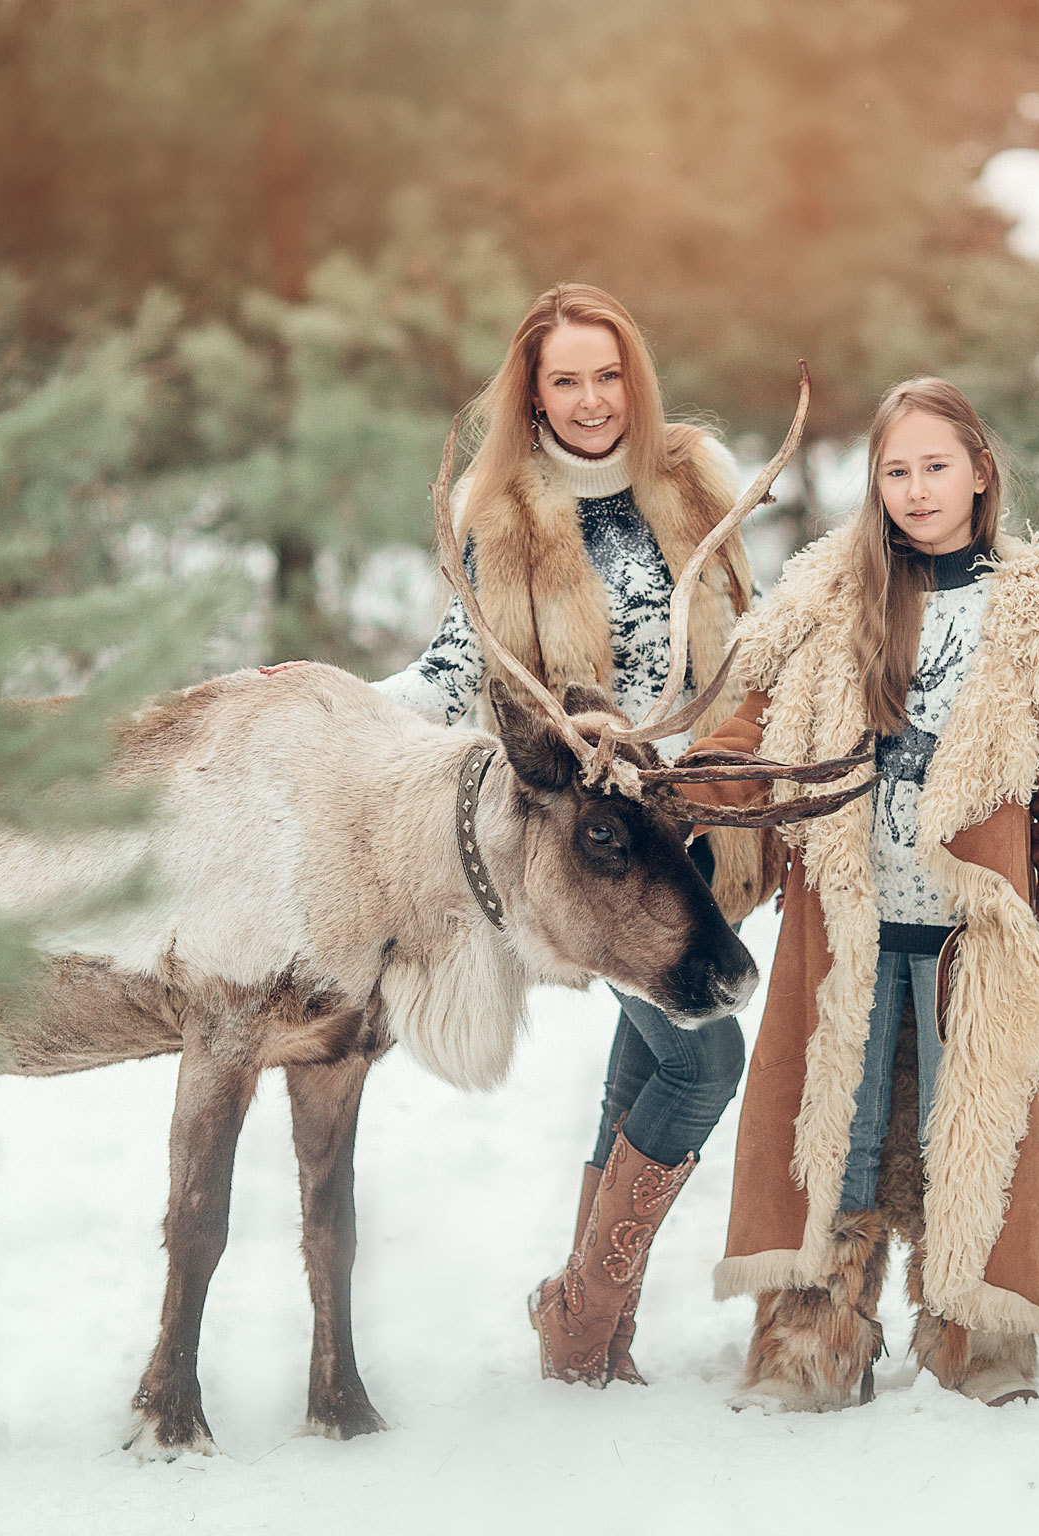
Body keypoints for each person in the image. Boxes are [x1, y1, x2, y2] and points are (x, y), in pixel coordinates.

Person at [677, 376, 1039, 1410]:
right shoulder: (828, 599)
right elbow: (746, 733)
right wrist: (680, 785)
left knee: (973, 1137)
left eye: (934, 466)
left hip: (972, 942)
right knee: (830, 1143)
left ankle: (980, 1350)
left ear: (979, 470)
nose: (915, 489)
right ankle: (807, 1352)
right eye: (894, 471)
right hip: (844, 931)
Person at [373, 282, 769, 1386]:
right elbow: (458, 673)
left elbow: (749, 637)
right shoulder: (501, 512)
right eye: (565, 380)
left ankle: (592, 1329)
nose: (591, 400)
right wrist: (330, 703)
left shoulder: (692, 483)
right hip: (589, 848)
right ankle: (584, 1318)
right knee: (703, 1054)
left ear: (631, 381)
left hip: (692, 828)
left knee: (643, 1060)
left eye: (608, 376)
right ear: (532, 393)